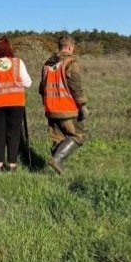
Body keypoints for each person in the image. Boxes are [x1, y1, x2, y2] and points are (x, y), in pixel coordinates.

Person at [39, 35, 89, 174]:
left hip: (51, 109)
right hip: (67, 108)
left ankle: (58, 174)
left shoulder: (47, 64)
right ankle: (57, 160)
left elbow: (41, 88)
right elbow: (75, 87)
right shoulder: (71, 63)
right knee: (78, 135)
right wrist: (82, 106)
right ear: (70, 47)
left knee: (58, 139)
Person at [0, 37, 32, 172]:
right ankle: (12, 165)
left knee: (0, 134)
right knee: (14, 133)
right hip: (16, 102)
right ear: (9, 48)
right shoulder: (18, 62)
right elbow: (28, 83)